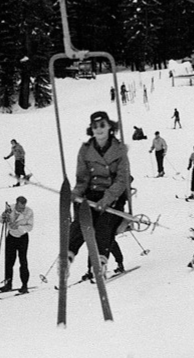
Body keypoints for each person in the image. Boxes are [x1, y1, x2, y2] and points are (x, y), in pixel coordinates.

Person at [66, 110, 130, 278]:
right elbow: (82, 179)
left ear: (110, 127)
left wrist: (107, 199)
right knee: (81, 223)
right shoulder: (86, 150)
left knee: (103, 226)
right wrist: (76, 193)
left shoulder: (119, 150)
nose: (99, 130)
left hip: (113, 195)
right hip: (92, 194)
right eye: (95, 127)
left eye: (102, 125)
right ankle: (67, 256)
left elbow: (122, 180)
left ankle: (100, 261)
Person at [0, 195, 34, 292]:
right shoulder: (10, 209)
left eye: (23, 207)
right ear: (16, 203)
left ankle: (24, 285)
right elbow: (1, 220)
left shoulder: (29, 212)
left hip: (22, 238)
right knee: (9, 261)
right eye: (19, 207)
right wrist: (3, 217)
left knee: (23, 261)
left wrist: (18, 227)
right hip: (11, 237)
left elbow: (30, 227)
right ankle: (8, 284)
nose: (21, 209)